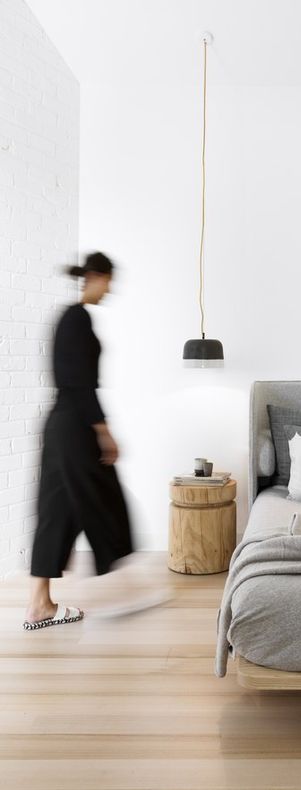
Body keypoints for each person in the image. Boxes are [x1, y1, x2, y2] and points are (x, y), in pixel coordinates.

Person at [24, 252, 134, 630]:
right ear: (96, 276)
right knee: (105, 501)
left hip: (64, 425)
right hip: (74, 426)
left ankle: (40, 604)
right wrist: (103, 432)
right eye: (109, 280)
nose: (111, 289)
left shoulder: (70, 317)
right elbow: (77, 382)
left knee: (59, 510)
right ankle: (124, 591)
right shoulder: (77, 317)